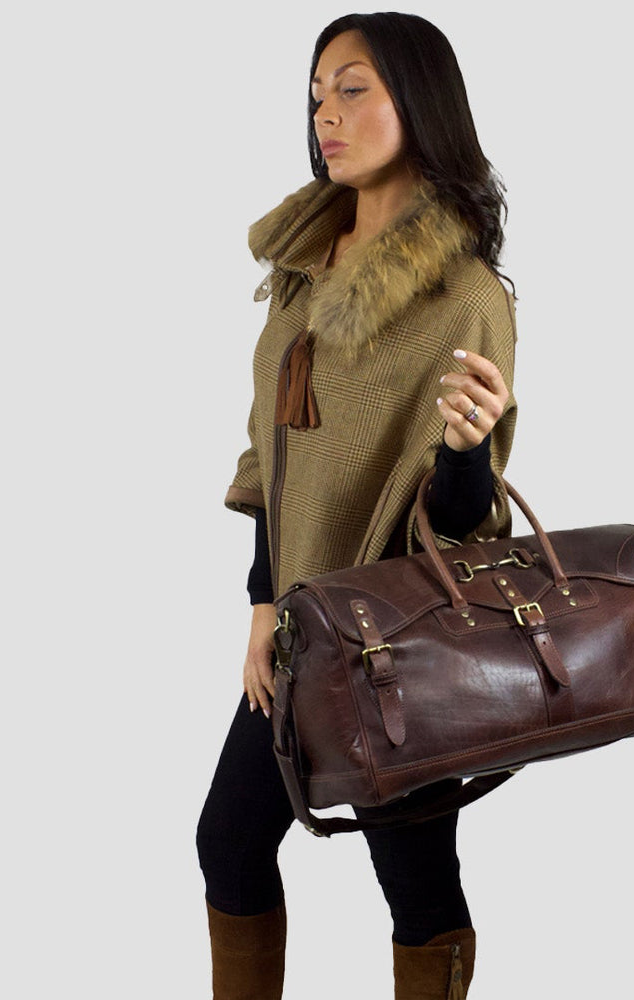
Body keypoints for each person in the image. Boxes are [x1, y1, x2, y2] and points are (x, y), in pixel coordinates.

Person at [196, 13, 518, 998]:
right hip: (299, 627)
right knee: (229, 839)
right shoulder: (302, 272)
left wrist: (467, 450)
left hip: (395, 640)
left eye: (353, 89)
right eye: (315, 94)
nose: (325, 114)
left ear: (418, 104)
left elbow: (462, 521)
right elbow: (272, 449)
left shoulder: (463, 295)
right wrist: (261, 602)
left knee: (414, 878)